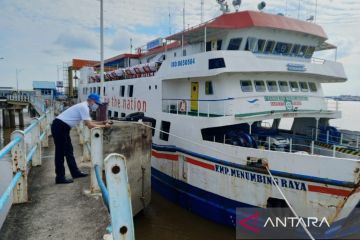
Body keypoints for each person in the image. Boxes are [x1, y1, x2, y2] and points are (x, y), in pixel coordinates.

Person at [51, 93, 111, 184]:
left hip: (63, 127)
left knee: (69, 151)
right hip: (60, 126)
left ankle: (75, 172)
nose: (97, 106)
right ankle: (60, 177)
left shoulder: (84, 106)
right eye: (96, 103)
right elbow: (89, 125)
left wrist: (102, 122)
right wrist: (104, 126)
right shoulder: (84, 107)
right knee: (60, 153)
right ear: (91, 101)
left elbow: (89, 121)